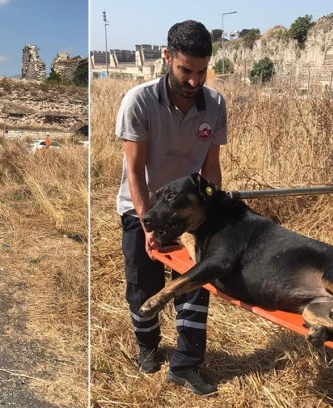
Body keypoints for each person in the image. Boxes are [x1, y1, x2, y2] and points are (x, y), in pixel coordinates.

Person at [115, 20, 227, 396]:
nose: (194, 81)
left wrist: (214, 213)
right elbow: (134, 169)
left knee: (197, 283)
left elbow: (210, 167)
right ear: (167, 58)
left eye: (201, 72)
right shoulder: (139, 101)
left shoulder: (214, 104)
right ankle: (147, 346)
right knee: (143, 283)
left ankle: (185, 364)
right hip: (142, 206)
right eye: (185, 71)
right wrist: (150, 226)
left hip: (189, 213)